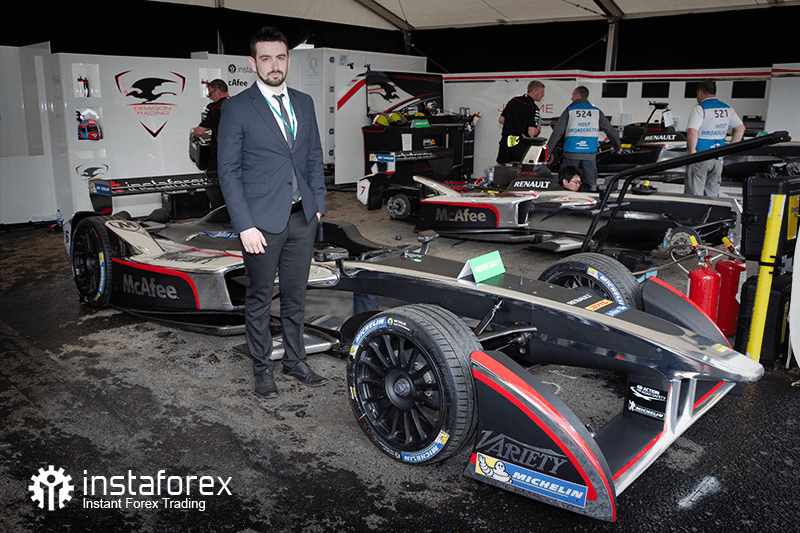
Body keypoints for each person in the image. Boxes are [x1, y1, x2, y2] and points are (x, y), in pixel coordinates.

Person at [217, 26, 327, 399]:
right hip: (260, 224)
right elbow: (228, 172)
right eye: (265, 58)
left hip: (302, 218)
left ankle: (295, 362)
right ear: (253, 63)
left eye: (280, 57)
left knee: (296, 297)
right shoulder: (236, 108)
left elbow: (313, 156)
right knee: (260, 299)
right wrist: (244, 226)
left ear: (288, 60)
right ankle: (262, 369)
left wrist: (318, 205)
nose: (274, 65)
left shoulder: (304, 103)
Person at [547, 86, 621, 192]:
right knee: (591, 186)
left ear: (577, 95)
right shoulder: (596, 111)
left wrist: (548, 151)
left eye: (573, 95)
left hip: (571, 153)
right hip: (589, 154)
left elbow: (558, 132)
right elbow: (610, 130)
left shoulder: (570, 110)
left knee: (566, 183)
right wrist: (617, 146)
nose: (571, 98)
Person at [685, 79, 745, 196]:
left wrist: (692, 152)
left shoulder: (700, 108)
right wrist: (729, 149)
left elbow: (692, 131)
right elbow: (740, 128)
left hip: (700, 156)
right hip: (718, 157)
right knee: (712, 193)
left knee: (694, 194)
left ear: (700, 92)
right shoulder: (727, 108)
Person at [193, 79, 229, 209]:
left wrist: (194, 132)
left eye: (210, 94)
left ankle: (218, 212)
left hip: (220, 155)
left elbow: (199, 131)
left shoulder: (213, 108)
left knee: (211, 182)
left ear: (217, 91)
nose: (210, 97)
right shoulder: (238, 104)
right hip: (239, 155)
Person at [497, 80, 545, 164]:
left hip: (505, 141)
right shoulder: (533, 108)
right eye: (542, 92)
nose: (543, 95)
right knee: (518, 169)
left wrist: (513, 124)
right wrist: (538, 128)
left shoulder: (514, 100)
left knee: (503, 167)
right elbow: (531, 132)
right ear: (534, 91)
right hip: (519, 144)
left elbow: (501, 119)